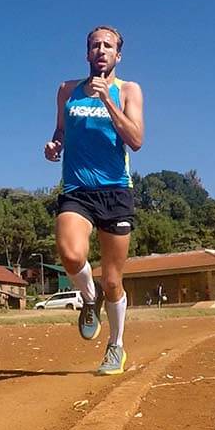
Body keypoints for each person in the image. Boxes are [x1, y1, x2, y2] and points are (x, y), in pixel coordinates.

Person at [44, 25, 145, 376]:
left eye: (108, 46)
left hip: (116, 191)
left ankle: (116, 346)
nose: (101, 50)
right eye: (95, 45)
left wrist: (106, 100)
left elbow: (136, 139)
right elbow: (60, 130)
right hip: (77, 190)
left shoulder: (128, 90)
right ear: (87, 53)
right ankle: (89, 299)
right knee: (72, 256)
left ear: (118, 55)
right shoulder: (67, 91)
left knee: (113, 281)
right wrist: (54, 145)